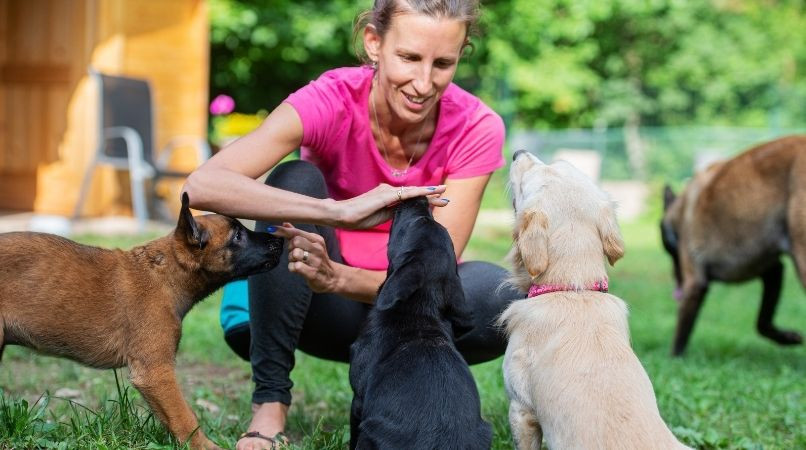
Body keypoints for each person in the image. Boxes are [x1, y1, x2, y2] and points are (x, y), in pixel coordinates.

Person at [183, 0, 523, 448]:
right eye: (409, 58)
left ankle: (409, 395)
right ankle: (269, 405)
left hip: (404, 316)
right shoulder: (330, 99)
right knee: (294, 180)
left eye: (443, 63)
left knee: (504, 294)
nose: (424, 83)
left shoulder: (476, 125)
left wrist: (339, 277)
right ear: (374, 43)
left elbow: (434, 275)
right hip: (313, 309)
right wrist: (337, 211)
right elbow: (202, 185)